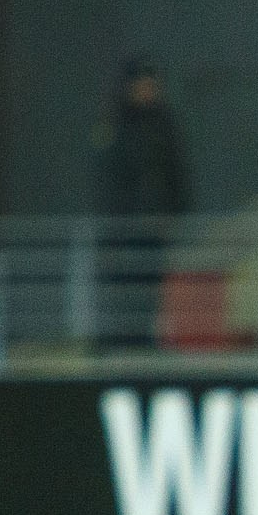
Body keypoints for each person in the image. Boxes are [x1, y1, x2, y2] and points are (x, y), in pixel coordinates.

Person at [92, 56, 191, 349]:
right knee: (122, 288)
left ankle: (144, 341)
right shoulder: (115, 126)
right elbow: (108, 182)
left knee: (150, 290)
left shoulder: (164, 125)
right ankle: (115, 341)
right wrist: (117, 225)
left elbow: (177, 173)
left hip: (155, 230)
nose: (148, 91)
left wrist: (174, 214)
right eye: (142, 85)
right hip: (123, 232)